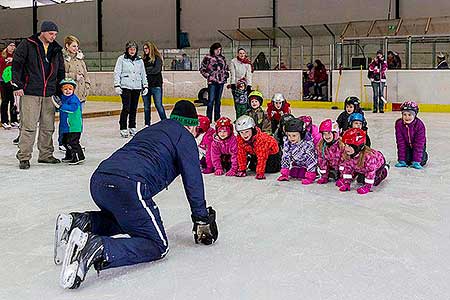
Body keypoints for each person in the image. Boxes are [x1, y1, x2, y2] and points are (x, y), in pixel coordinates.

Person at [55, 100, 218, 289]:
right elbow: (193, 180)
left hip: (100, 179)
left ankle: (79, 222)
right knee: (157, 244)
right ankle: (98, 247)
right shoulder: (185, 137)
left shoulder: (152, 129)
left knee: (126, 219)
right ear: (191, 125)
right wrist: (201, 219)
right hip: (130, 184)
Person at [12, 21, 65, 170]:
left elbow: (60, 70)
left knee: (48, 126)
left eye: (55, 34)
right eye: (51, 34)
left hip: (49, 93)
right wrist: (18, 85)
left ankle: (46, 155)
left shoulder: (56, 49)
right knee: (28, 126)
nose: (53, 37)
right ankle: (24, 156)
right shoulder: (28, 44)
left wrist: (59, 91)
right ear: (43, 32)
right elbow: (17, 65)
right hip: (30, 92)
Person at [59, 35, 90, 151]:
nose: (76, 48)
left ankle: (75, 141)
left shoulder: (80, 60)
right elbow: (61, 75)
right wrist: (73, 76)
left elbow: (86, 75)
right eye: (73, 46)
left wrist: (87, 88)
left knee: (77, 121)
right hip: (68, 96)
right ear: (67, 46)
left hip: (80, 95)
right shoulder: (63, 59)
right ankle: (62, 141)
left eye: (77, 46)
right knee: (66, 120)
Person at [337, 128, 389, 194]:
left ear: (358, 146)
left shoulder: (369, 158)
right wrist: (347, 183)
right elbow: (347, 169)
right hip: (360, 167)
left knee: (374, 181)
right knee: (359, 179)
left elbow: (370, 173)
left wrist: (367, 187)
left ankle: (385, 169)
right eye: (345, 145)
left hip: (378, 165)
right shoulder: (347, 154)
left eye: (350, 146)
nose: (346, 148)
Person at [114, 41, 148, 138]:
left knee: (134, 108)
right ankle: (123, 126)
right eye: (130, 49)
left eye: (134, 49)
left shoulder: (139, 60)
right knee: (126, 107)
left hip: (136, 86)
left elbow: (143, 74)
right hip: (126, 86)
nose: (132, 51)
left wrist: (145, 86)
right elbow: (117, 72)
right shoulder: (121, 59)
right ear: (127, 50)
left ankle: (132, 126)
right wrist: (117, 85)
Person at [235, 115, 280, 180]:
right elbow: (241, 154)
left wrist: (260, 172)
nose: (244, 135)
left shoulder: (261, 140)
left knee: (270, 169)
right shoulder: (240, 140)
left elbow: (262, 157)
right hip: (255, 153)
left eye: (247, 131)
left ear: (252, 129)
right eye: (241, 132)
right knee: (252, 167)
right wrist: (242, 169)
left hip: (272, 156)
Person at [52, 78, 85, 164]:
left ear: (73, 90)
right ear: (61, 89)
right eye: (65, 89)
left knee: (72, 142)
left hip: (73, 126)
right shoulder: (63, 99)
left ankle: (78, 157)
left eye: (70, 89)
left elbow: (72, 109)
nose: (67, 91)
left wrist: (61, 106)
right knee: (65, 142)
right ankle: (69, 155)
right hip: (66, 126)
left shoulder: (74, 99)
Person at [277, 118, 317, 184]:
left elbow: (311, 160)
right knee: (294, 174)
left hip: (307, 164)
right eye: (289, 135)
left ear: (301, 134)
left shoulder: (307, 144)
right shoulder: (287, 142)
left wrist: (310, 176)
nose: (291, 138)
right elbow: (285, 156)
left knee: (302, 173)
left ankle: (308, 172)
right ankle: (298, 168)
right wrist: (285, 173)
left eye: (294, 136)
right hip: (297, 163)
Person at [199, 42, 229, 121]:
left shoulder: (222, 58)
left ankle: (217, 118)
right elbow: (202, 68)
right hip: (212, 82)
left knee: (218, 101)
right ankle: (208, 118)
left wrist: (225, 76)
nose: (218, 51)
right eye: (217, 49)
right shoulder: (208, 57)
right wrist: (207, 75)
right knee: (211, 100)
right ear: (213, 49)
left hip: (221, 81)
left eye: (220, 49)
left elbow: (226, 68)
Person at [394, 100, 428, 169]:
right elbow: (400, 143)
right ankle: (407, 158)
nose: (407, 117)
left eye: (410, 115)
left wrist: (417, 161)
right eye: (404, 114)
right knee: (408, 161)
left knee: (421, 161)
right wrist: (402, 160)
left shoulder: (419, 125)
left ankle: (424, 155)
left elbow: (419, 144)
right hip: (407, 146)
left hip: (418, 146)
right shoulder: (399, 124)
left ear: (415, 115)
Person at [142, 41, 166, 126]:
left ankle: (165, 122)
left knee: (158, 105)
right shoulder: (143, 60)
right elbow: (141, 72)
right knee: (146, 107)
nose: (145, 50)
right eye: (144, 48)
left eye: (147, 48)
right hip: (145, 86)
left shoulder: (157, 58)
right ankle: (147, 124)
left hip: (156, 85)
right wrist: (148, 70)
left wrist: (146, 71)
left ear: (151, 48)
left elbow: (156, 70)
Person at [316, 119, 344, 184]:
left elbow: (345, 163)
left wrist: (343, 178)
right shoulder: (321, 146)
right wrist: (324, 176)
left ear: (335, 133)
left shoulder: (341, 146)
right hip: (333, 167)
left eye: (329, 133)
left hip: (343, 169)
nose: (326, 136)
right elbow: (322, 162)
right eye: (324, 134)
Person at [0, 41, 18, 129]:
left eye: (14, 46)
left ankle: (14, 120)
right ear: (7, 47)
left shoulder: (16, 56)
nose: (12, 47)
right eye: (11, 45)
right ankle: (4, 121)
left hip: (13, 81)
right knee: (5, 101)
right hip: (4, 81)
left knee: (13, 101)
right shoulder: (2, 56)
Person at [230, 48, 253, 116]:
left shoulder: (247, 62)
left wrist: (249, 85)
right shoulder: (233, 61)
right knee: (237, 102)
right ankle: (238, 116)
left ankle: (245, 116)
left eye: (243, 53)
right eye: (240, 53)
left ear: (245, 54)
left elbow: (249, 74)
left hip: (244, 85)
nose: (242, 55)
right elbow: (233, 74)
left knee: (245, 102)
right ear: (237, 54)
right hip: (236, 84)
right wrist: (233, 84)